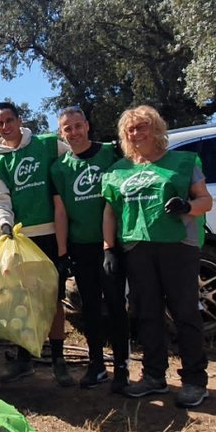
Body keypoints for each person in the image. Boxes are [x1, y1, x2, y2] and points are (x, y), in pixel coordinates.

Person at [101, 105, 214, 408]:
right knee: (146, 313)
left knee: (184, 312)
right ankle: (154, 377)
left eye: (142, 127)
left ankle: (194, 381)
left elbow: (206, 200)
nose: (136, 133)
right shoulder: (117, 170)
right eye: (130, 129)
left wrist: (187, 207)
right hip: (137, 247)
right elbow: (110, 212)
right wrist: (108, 248)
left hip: (178, 245)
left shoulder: (182, 162)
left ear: (156, 129)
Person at [0, 101, 72, 386]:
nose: (5, 126)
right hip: (21, 238)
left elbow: (74, 164)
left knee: (53, 298)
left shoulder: (47, 144)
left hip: (54, 234)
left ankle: (58, 359)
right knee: (23, 299)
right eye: (0, 123)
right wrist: (5, 224)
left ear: (19, 120)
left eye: (9, 120)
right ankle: (24, 360)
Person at [49, 107, 130, 392]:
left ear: (87, 125)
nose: (73, 132)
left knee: (116, 304)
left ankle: (122, 367)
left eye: (77, 125)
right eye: (67, 128)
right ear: (61, 133)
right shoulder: (59, 168)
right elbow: (60, 212)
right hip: (80, 245)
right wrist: (62, 252)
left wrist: (113, 246)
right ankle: (96, 365)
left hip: (112, 244)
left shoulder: (110, 153)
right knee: (90, 307)